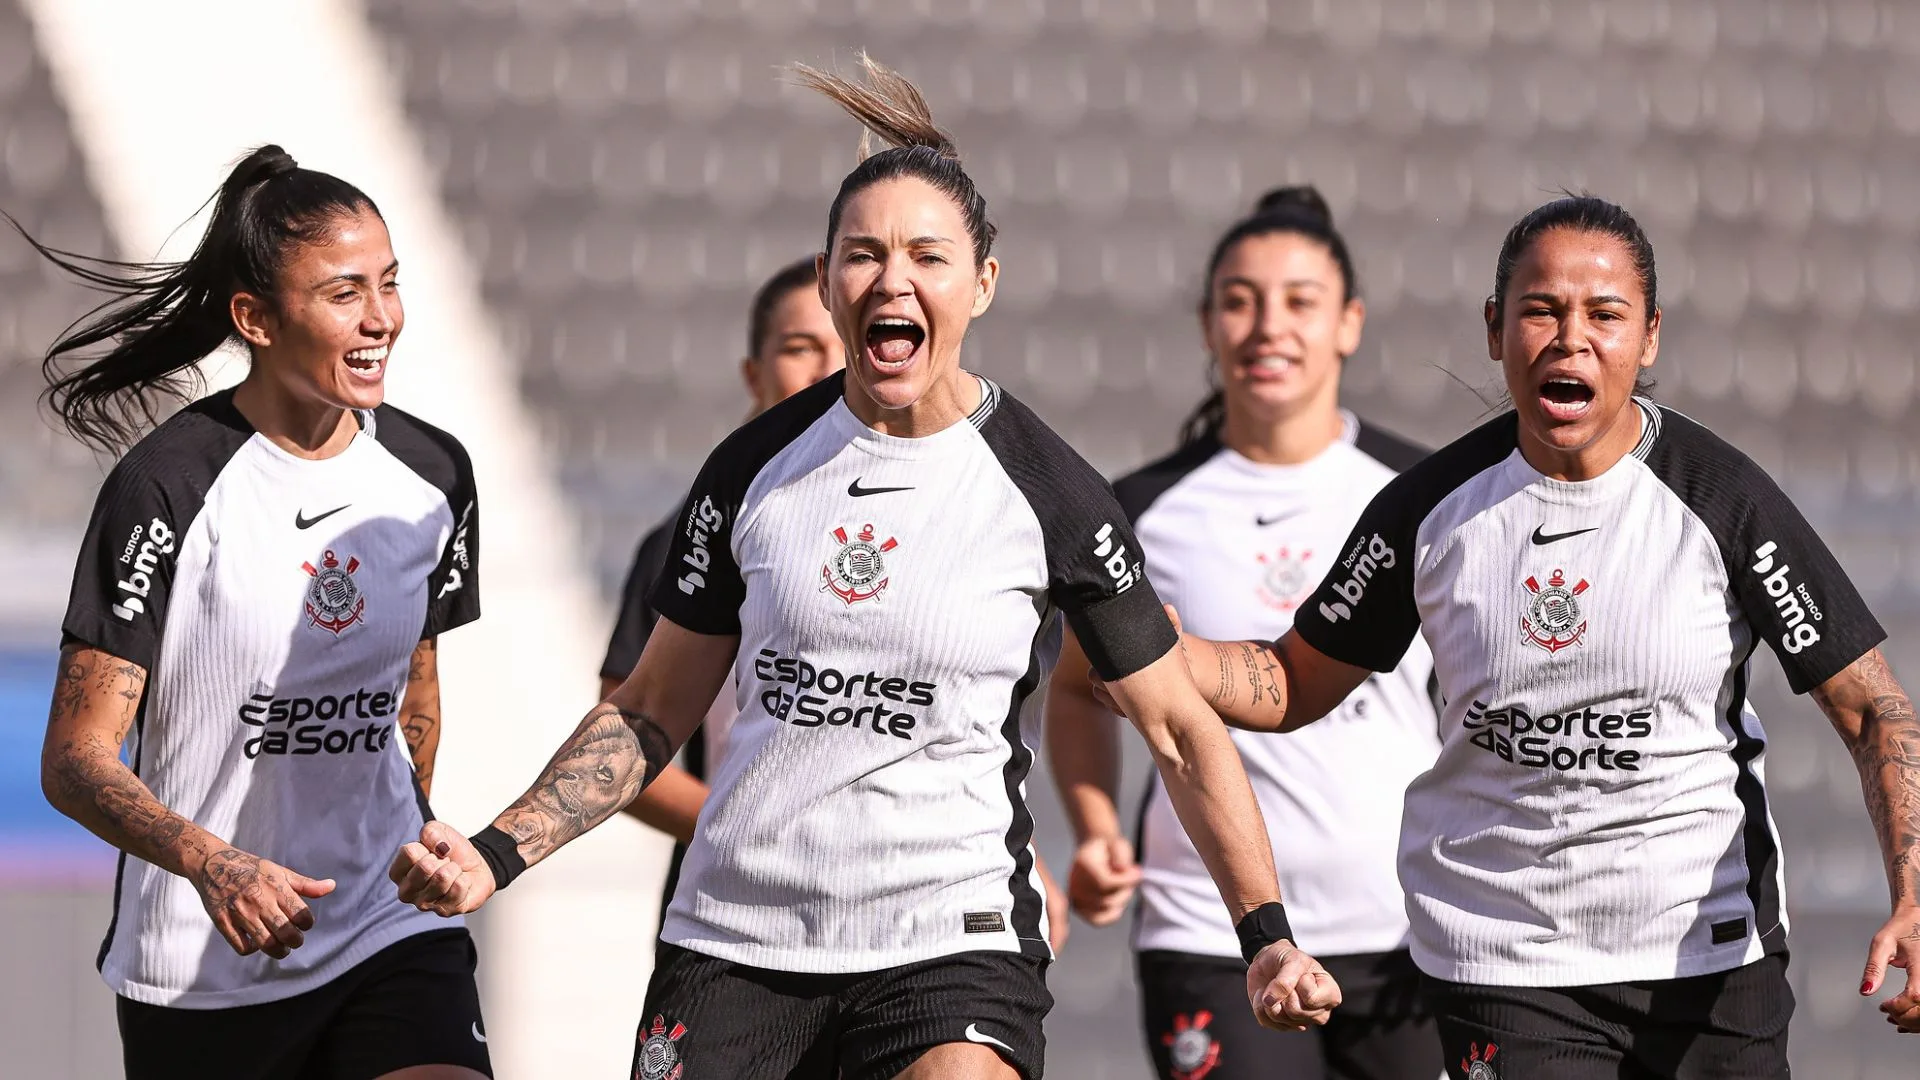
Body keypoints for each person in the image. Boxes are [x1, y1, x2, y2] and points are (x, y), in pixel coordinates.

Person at [392, 55, 1339, 1080]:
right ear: (825, 281)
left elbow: (1180, 728)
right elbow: (649, 708)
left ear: (981, 283)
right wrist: (495, 853)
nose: (893, 279)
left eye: (927, 256)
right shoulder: (752, 470)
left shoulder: (1049, 490)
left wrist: (1266, 931)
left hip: (949, 940)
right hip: (737, 938)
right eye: (864, 255)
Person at [1096, 193, 1920, 1078]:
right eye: (1540, 310)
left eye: (1604, 315)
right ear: (1496, 329)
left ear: (1648, 338)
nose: (1571, 339)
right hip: (1507, 966)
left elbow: (1873, 710)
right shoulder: (1429, 509)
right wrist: (1167, 658)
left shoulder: (1724, 501)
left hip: (1707, 959)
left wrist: (1915, 889)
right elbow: (1294, 681)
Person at [32, 146, 489, 1079]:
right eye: (345, 293)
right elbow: (75, 761)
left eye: (391, 284)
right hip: (206, 965)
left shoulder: (434, 475)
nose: (381, 320)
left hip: (382, 931)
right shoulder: (164, 488)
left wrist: (412, 839)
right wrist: (214, 865)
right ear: (256, 318)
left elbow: (416, 692)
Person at [1048, 186, 1442, 1080]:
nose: (1269, 326)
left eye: (1300, 302)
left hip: (1406, 931)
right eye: (1240, 300)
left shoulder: (1422, 494)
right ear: (1206, 324)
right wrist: (1097, 825)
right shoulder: (1141, 509)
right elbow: (1075, 686)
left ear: (1348, 324)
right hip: (1208, 932)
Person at [601, 258, 1074, 954]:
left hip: (917, 918)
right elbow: (630, 738)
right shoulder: (701, 532)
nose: (827, 368)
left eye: (841, 344)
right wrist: (760, 824)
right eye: (799, 349)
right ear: (752, 376)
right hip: (735, 913)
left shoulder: (962, 523)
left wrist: (1015, 859)